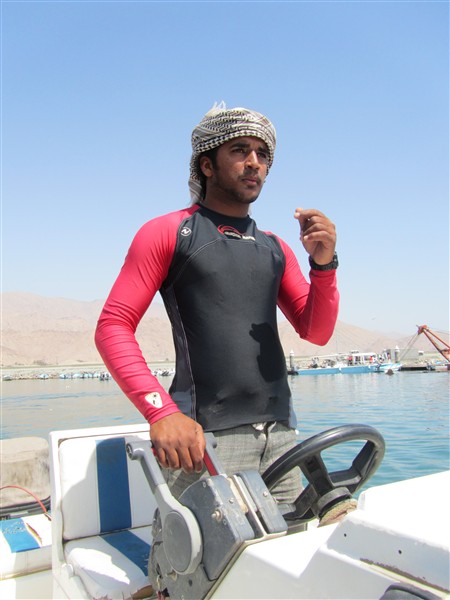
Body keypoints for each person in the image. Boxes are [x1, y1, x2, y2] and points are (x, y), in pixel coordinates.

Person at [95, 103, 339, 503]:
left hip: (281, 435)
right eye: (240, 150)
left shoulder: (276, 248)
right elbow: (113, 327)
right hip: (202, 438)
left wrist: (324, 265)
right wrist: (161, 411)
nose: (254, 162)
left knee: (287, 544)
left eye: (263, 154)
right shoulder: (168, 232)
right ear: (207, 165)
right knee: (194, 545)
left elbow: (317, 332)